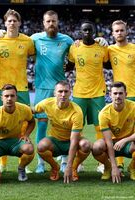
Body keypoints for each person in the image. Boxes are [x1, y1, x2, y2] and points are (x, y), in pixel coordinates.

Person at [0, 9, 35, 172]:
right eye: (9, 21)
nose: (12, 23)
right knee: (0, 123)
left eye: (14, 21)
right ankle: (1, 164)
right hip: (1, 87)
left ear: (19, 23)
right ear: (5, 23)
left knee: (24, 123)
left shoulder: (28, 41)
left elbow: (35, 55)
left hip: (22, 87)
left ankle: (23, 162)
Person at [31, 10, 74, 173]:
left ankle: (64, 160)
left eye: (54, 21)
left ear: (58, 22)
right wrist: (0, 33)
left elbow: (77, 57)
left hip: (60, 89)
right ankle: (40, 162)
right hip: (42, 89)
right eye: (48, 21)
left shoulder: (67, 40)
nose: (51, 24)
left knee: (65, 125)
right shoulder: (34, 39)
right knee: (41, 126)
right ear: (43, 23)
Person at [67, 21, 109, 173]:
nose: (86, 32)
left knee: (101, 126)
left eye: (89, 30)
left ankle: (102, 163)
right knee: (77, 127)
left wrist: (106, 43)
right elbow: (69, 65)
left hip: (98, 92)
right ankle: (79, 162)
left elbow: (110, 64)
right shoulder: (75, 47)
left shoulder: (102, 47)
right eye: (84, 30)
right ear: (80, 31)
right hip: (79, 93)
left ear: (94, 31)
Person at [0, 84, 35, 185]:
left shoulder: (24, 109)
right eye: (6, 96)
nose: (9, 99)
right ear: (1, 98)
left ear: (16, 97)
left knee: (29, 149)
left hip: (16, 142)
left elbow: (32, 121)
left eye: (12, 96)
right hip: (0, 143)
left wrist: (26, 134)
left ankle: (21, 168)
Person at [35, 80, 91, 182]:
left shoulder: (77, 111)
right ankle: (55, 167)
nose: (63, 94)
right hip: (55, 141)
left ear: (70, 93)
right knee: (41, 146)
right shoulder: (47, 103)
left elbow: (74, 141)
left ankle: (74, 168)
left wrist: (69, 167)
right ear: (55, 93)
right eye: (60, 91)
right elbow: (32, 111)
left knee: (86, 145)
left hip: (71, 141)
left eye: (66, 91)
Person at [92, 81, 135, 183]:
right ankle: (107, 168)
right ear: (110, 95)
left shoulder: (133, 107)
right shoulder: (104, 113)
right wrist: (114, 166)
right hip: (112, 144)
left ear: (126, 94)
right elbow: (108, 141)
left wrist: (125, 140)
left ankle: (132, 167)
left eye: (120, 93)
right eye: (115, 93)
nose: (118, 96)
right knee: (96, 147)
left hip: (129, 144)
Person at [108, 20, 135, 173]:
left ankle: (133, 166)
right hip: (119, 95)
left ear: (127, 31)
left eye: (122, 30)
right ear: (113, 33)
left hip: (134, 94)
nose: (119, 33)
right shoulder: (110, 50)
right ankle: (118, 163)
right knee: (117, 129)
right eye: (116, 31)